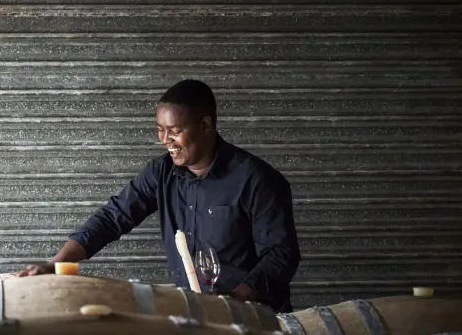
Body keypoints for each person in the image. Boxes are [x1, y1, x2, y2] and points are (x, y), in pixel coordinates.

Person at [17, 79, 301, 312]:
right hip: (196, 315)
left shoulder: (257, 180)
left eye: (175, 131)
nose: (166, 141)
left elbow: (280, 256)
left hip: (257, 319)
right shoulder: (161, 173)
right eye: (161, 131)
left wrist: (233, 302)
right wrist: (55, 265)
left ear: (205, 125)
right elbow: (113, 218)